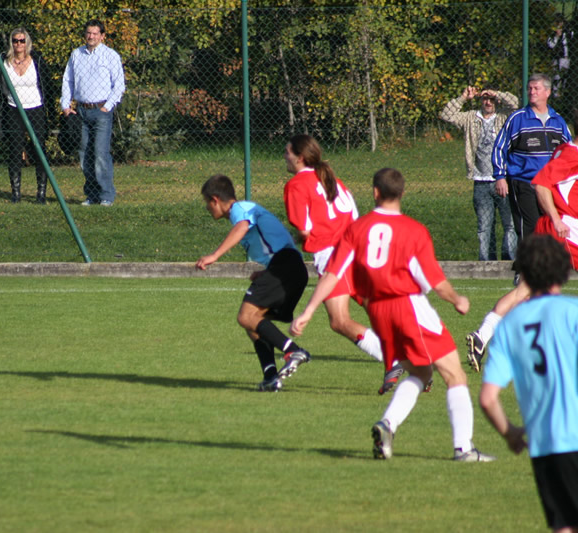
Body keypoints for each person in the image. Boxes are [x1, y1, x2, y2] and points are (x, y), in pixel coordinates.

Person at [291, 168, 495, 462]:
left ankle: (387, 424)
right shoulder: (413, 230)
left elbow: (333, 273)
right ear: (402, 194)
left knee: (421, 372)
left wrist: (308, 311)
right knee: (455, 374)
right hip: (407, 306)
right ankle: (464, 448)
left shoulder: (356, 229)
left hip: (377, 311)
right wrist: (456, 299)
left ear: (374, 192)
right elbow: (434, 280)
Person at [281, 134, 404, 395]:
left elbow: (305, 230)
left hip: (334, 253)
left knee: (339, 320)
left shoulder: (296, 185)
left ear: (300, 157)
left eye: (288, 152)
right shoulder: (330, 178)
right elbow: (353, 214)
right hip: (360, 246)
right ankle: (417, 358)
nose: (285, 156)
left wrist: (294, 239)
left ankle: (397, 359)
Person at [480, 233, 578, 533]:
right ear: (563, 270)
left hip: (544, 445)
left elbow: (487, 398)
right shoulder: (573, 313)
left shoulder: (510, 324)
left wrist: (509, 433)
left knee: (563, 525)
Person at [466, 140, 578, 372]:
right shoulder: (571, 155)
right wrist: (557, 220)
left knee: (524, 292)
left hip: (549, 227)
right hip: (565, 229)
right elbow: (541, 185)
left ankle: (482, 335)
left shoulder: (562, 149)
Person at [195, 174, 310, 392]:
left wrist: (214, 255)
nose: (207, 209)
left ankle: (292, 350)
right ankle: (270, 377)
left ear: (215, 199)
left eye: (207, 203)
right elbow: (280, 243)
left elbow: (241, 227)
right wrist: (267, 272)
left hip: (286, 267)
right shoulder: (248, 212)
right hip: (290, 269)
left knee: (245, 316)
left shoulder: (241, 208)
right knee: (253, 322)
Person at [493, 73, 571, 259]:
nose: (532, 92)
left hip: (549, 186)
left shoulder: (558, 121)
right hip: (523, 181)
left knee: (548, 225)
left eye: (536, 88)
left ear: (548, 92)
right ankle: (525, 270)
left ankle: (543, 268)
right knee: (528, 226)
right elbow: (499, 148)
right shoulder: (517, 119)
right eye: (530, 88)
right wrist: (500, 176)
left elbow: (568, 151)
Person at [440, 85, 518, 261]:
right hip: (481, 181)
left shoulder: (504, 117)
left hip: (503, 179)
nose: (488, 102)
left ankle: (509, 259)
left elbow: (515, 104)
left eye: (490, 99)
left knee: (510, 225)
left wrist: (497, 93)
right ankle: (486, 262)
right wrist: (463, 98)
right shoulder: (470, 118)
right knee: (484, 227)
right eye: (484, 99)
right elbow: (447, 115)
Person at [60, 19, 125, 207]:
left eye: (95, 33)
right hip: (80, 111)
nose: (91, 36)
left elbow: (119, 85)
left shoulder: (111, 56)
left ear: (102, 36)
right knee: (84, 154)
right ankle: (92, 195)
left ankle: (106, 195)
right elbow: (68, 80)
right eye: (89, 33)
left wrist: (108, 106)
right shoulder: (76, 54)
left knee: (100, 153)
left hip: (101, 111)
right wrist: (66, 105)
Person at [0, 27, 53, 204]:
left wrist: (50, 111)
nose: (18, 44)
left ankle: (41, 192)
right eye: (15, 41)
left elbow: (47, 85)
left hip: (35, 108)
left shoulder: (36, 60)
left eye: (22, 41)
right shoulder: (4, 61)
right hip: (13, 108)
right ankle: (16, 193)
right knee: (15, 150)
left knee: (39, 150)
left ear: (27, 42)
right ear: (11, 43)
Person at [547, 14, 573, 97]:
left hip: (567, 58)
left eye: (561, 22)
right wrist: (556, 36)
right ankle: (555, 94)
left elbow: (571, 38)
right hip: (557, 58)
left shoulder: (568, 32)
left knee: (566, 76)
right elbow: (551, 45)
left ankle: (564, 93)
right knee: (557, 76)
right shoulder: (552, 33)